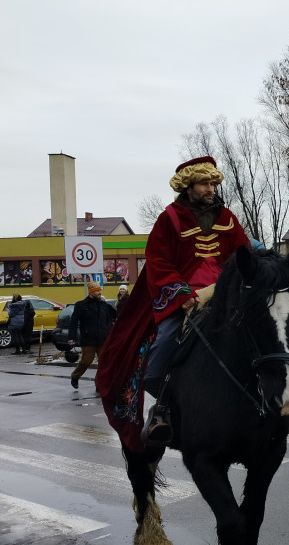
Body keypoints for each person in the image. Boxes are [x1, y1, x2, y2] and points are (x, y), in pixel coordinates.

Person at [97, 155, 250, 448]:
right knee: (165, 341)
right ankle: (162, 408)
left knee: (265, 332)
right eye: (204, 183)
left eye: (212, 183)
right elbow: (158, 262)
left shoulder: (227, 218)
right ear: (189, 185)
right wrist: (180, 294)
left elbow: (241, 254)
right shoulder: (169, 218)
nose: (210, 189)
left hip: (225, 291)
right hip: (186, 296)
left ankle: (282, 397)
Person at [68, 282, 117, 389]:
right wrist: (71, 337)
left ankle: (99, 385)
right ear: (91, 292)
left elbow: (116, 315)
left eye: (100, 291)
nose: (99, 293)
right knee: (86, 361)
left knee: (104, 363)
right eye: (97, 291)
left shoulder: (104, 305)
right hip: (88, 339)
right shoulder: (81, 305)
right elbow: (74, 322)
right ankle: (75, 376)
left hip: (103, 338)